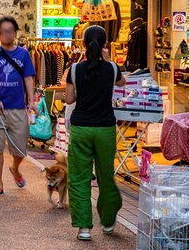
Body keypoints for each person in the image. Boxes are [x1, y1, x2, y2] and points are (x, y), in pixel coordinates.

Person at [65, 25, 126, 241]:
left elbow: (70, 99)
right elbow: (122, 82)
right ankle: (108, 221)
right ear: (105, 44)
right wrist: (108, 59)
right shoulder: (112, 69)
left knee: (80, 177)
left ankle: (84, 227)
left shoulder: (74, 70)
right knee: (105, 176)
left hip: (81, 128)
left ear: (83, 44)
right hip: (105, 129)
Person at [0, 16, 36, 196]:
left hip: (18, 107)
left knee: (20, 148)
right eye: (4, 32)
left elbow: (28, 78)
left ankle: (15, 167)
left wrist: (32, 100)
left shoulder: (24, 54)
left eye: (11, 31)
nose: (8, 35)